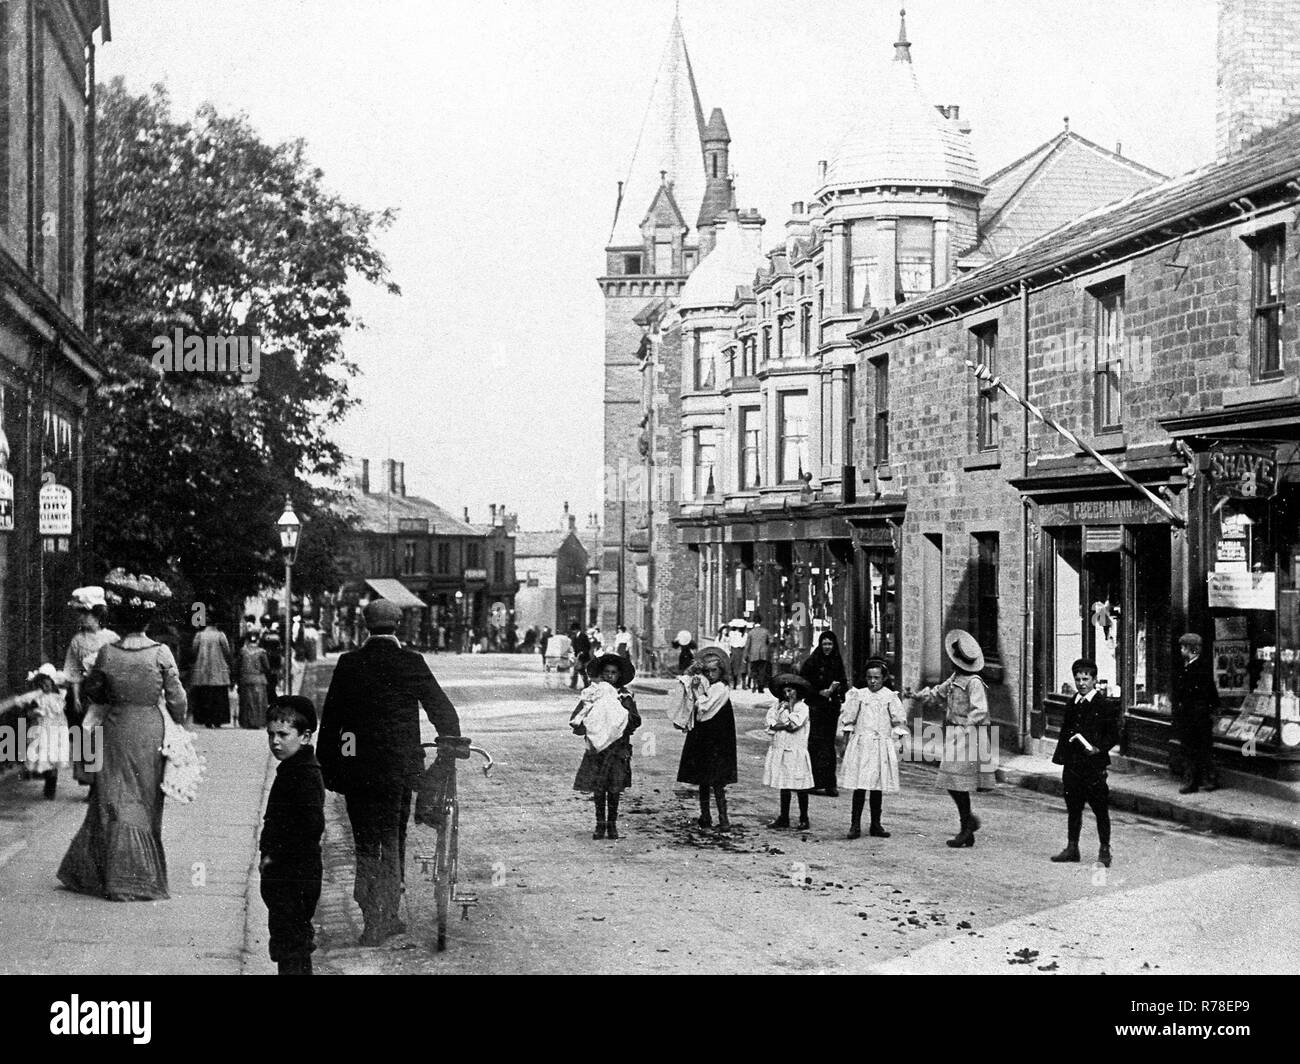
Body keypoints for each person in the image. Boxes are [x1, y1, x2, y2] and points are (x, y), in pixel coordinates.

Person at [316, 599, 461, 946]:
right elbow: (441, 708)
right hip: (399, 768)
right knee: (393, 838)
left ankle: (370, 919)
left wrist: (331, 767)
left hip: (358, 769)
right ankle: (391, 913)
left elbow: (333, 719)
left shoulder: (349, 662)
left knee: (365, 842)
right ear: (398, 624)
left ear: (367, 625)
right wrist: (449, 742)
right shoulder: (410, 661)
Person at [58, 572, 187, 901]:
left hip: (116, 728)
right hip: (149, 729)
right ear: (148, 619)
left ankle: (105, 874)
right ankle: (141, 875)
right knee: (145, 798)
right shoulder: (161, 653)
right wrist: (177, 722)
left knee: (112, 797)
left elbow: (94, 693)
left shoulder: (108, 654)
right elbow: (177, 699)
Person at [260, 695, 325, 975]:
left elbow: (311, 826)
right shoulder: (292, 769)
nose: (275, 741)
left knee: (292, 946)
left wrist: (274, 856)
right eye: (271, 734)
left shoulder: (304, 775)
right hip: (286, 875)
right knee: (290, 944)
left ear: (306, 736)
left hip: (294, 875)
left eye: (284, 734)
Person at [910, 629, 990, 848]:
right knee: (952, 782)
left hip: (968, 736)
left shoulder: (974, 681)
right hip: (954, 734)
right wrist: (917, 696)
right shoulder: (955, 678)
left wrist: (967, 728)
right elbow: (938, 692)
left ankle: (966, 826)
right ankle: (968, 825)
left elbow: (980, 710)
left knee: (957, 782)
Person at [1050, 658, 1119, 867]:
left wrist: (1099, 749)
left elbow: (1114, 734)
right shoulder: (1073, 703)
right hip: (1073, 765)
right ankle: (1072, 847)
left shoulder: (1103, 705)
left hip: (1093, 766)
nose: (1081, 683)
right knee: (1073, 807)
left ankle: (1105, 849)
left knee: (1099, 808)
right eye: (1078, 679)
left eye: (1086, 679)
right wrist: (1061, 757)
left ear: (1094, 680)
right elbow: (1065, 732)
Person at [570, 653, 641, 840]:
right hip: (597, 749)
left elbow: (635, 720)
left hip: (618, 748)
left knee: (615, 787)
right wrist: (594, 725)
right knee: (599, 787)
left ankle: (613, 825)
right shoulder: (593, 694)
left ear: (619, 676)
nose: (610, 676)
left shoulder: (624, 696)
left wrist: (620, 718)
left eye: (614, 673)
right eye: (607, 673)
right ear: (601, 675)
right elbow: (579, 718)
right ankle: (600, 824)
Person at [838, 659, 908, 839]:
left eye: (876, 677)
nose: (873, 681)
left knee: (877, 786)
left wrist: (897, 742)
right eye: (869, 677)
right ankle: (855, 825)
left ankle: (876, 824)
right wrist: (845, 743)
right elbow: (849, 720)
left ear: (884, 678)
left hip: (880, 745)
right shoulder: (859, 695)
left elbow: (898, 721)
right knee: (860, 786)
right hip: (862, 744)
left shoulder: (890, 697)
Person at [675, 647, 738, 831]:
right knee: (704, 778)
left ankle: (723, 819)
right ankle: (705, 816)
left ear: (721, 671)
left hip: (717, 738)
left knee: (716, 780)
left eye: (714, 671)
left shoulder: (720, 688)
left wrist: (696, 696)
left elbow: (703, 708)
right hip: (705, 737)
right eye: (707, 671)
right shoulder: (708, 685)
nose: (710, 675)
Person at [62, 587, 119, 788]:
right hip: (87, 694)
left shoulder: (111, 638)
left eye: (84, 614)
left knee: (105, 736)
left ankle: (103, 783)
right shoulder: (77, 640)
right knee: (87, 736)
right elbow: (74, 671)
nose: (81, 619)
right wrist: (76, 696)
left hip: (107, 693)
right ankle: (91, 781)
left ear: (95, 614)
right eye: (80, 615)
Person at [763, 673, 815, 830]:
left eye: (791, 691)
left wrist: (784, 720)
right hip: (781, 748)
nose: (787, 694)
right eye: (785, 691)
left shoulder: (802, 708)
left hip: (796, 749)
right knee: (784, 783)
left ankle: (804, 817)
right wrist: (780, 723)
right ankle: (783, 817)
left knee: (800, 785)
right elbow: (769, 724)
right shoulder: (777, 707)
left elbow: (793, 726)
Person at [799, 630, 847, 796]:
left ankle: (829, 783)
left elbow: (844, 683)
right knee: (815, 743)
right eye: (824, 644)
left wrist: (836, 689)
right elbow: (804, 684)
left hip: (831, 709)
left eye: (830, 644)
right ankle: (813, 781)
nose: (827, 647)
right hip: (816, 707)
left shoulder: (837, 662)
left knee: (828, 744)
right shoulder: (812, 662)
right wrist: (819, 692)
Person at [1172, 632, 1220, 794]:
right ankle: (1200, 780)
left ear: (1190, 649)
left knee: (1198, 748)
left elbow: (1208, 693)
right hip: (1191, 716)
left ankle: (1200, 780)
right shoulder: (1188, 666)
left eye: (1183, 647)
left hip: (1197, 716)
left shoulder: (1199, 668)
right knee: (1193, 748)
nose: (1181, 650)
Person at [19, 664, 70, 800]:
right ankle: (45, 777)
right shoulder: (37, 698)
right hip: (41, 730)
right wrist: (35, 712)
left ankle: (51, 786)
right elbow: (29, 712)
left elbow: (60, 712)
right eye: (42, 685)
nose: (45, 688)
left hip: (55, 730)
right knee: (43, 755)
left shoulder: (58, 697)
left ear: (53, 684)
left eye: (48, 685)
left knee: (54, 756)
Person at [190, 613, 233, 728]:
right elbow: (227, 651)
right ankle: (218, 720)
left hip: (203, 669)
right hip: (218, 670)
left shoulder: (199, 635)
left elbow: (194, 651)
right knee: (218, 695)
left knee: (204, 694)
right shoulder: (220, 635)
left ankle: (206, 720)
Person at [236, 631, 272, 729]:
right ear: (258, 640)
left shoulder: (242, 651)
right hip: (259, 679)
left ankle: (247, 722)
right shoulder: (262, 652)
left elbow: (238, 666)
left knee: (247, 701)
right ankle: (258, 722)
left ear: (247, 640)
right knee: (259, 702)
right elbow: (267, 667)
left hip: (246, 679)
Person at [744, 615, 771, 693]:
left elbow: (747, 645)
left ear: (754, 622)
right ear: (761, 622)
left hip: (753, 654)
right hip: (763, 654)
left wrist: (745, 656)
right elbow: (771, 641)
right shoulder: (765, 631)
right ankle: (760, 687)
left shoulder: (751, 632)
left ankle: (754, 684)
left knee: (754, 670)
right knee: (762, 671)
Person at [260, 615, 284, 701]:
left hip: (270, 659)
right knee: (272, 678)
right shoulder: (274, 634)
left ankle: (270, 694)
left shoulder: (264, 634)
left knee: (271, 678)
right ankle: (271, 694)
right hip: (272, 659)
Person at [569, 622, 592, 690]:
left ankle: (575, 684)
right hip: (578, 656)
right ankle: (584, 684)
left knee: (578, 670)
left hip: (584, 656)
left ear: (576, 629)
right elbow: (575, 646)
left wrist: (583, 652)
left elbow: (588, 646)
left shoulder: (583, 636)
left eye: (573, 630)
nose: (573, 631)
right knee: (579, 670)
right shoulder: (575, 637)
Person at [727, 621, 747, 686]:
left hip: (734, 650)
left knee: (734, 666)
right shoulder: (744, 634)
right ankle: (742, 682)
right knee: (742, 667)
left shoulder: (731, 633)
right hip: (741, 650)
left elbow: (729, 642)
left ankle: (735, 683)